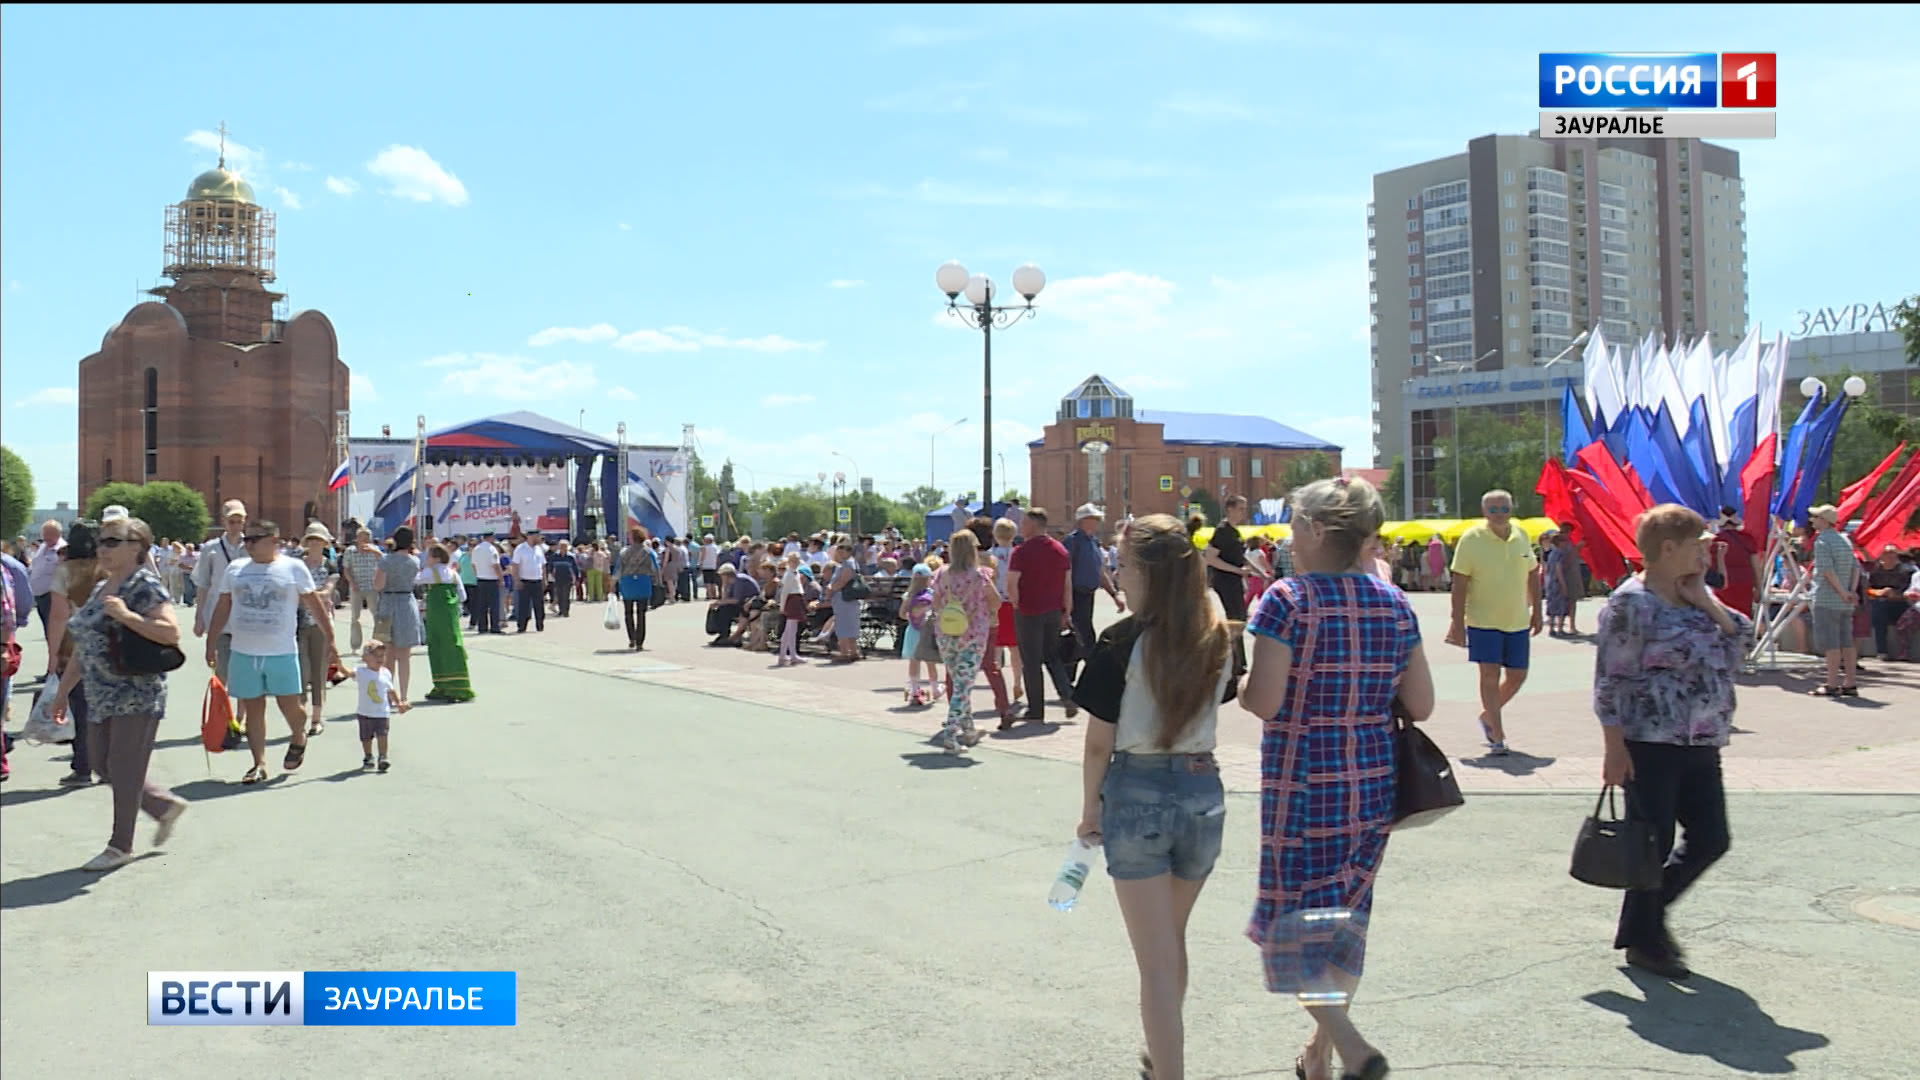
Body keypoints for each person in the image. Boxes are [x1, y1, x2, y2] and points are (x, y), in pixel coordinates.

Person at [1239, 477, 1433, 1080]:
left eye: (1296, 525)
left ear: (1319, 531)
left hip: (1303, 786)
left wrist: (1240, 678)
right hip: (1372, 782)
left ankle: (1350, 1046)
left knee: (1292, 927)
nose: (1289, 538)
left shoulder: (1286, 600)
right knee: (1347, 920)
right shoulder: (1394, 602)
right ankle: (1318, 1056)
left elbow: (1265, 701)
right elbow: (1421, 703)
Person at [1072, 513, 1240, 1080]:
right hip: (1202, 787)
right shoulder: (1216, 630)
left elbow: (1098, 743)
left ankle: (1168, 1068)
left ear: (1146, 572)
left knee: (1154, 962)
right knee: (1170, 940)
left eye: (1122, 563)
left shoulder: (1121, 640)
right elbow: (1229, 695)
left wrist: (1089, 810)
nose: (1117, 573)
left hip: (1137, 787)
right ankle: (1161, 1051)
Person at [1595, 504, 1749, 980]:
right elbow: (1611, 681)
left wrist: (1707, 602)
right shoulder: (1631, 603)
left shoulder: (1696, 597)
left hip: (1701, 739)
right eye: (1699, 544)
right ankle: (1647, 940)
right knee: (1653, 843)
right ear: (1668, 548)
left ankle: (1646, 922)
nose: (1708, 552)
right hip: (1650, 742)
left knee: (1711, 838)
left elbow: (1740, 647)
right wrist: (1614, 748)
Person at [45, 515, 191, 870]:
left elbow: (171, 633)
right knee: (101, 764)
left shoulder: (145, 586)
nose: (102, 548)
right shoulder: (102, 585)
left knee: (123, 767)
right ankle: (161, 805)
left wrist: (128, 616)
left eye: (112, 542)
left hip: (136, 692)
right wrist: (62, 692)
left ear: (137, 547)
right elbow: (85, 644)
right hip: (99, 693)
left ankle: (119, 845)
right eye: (101, 541)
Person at [206, 520, 329, 784]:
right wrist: (211, 641)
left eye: (253, 539)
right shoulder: (236, 569)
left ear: (274, 540)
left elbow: (314, 605)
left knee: (291, 707)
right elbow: (223, 606)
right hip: (244, 650)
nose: (247, 545)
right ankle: (258, 764)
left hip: (281, 651)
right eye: (245, 540)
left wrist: (330, 638)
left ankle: (298, 735)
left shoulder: (293, 568)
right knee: (253, 708)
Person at [1444, 489, 1541, 756]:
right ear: (1484, 512)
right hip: (1482, 621)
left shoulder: (1521, 535)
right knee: (1489, 675)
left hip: (1517, 620)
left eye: (1504, 509)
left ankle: (1488, 715)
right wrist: (1457, 622)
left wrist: (1538, 611)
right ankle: (1497, 735)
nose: (1499, 514)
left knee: (1518, 676)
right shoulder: (1471, 539)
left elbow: (1533, 573)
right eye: (1493, 509)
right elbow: (1459, 582)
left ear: (1511, 509)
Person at [929, 531, 1006, 753]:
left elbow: (935, 603)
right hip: (973, 636)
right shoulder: (980, 576)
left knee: (958, 679)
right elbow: (996, 603)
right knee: (964, 685)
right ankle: (951, 734)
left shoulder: (941, 574)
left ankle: (969, 728)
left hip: (946, 633)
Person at [45, 523, 107, 784]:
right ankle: (108, 765)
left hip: (74, 644)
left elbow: (59, 615)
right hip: (108, 642)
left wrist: (52, 653)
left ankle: (82, 766)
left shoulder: (64, 571)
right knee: (106, 706)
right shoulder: (107, 569)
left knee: (80, 707)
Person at [1007, 507, 1078, 726]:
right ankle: (1067, 695)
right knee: (1052, 656)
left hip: (1028, 611)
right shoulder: (1060, 550)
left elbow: (1012, 584)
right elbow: (1067, 585)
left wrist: (1016, 604)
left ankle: (1036, 710)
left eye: (1024, 522)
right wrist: (1067, 611)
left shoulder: (1021, 552)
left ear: (1034, 525)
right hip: (1053, 611)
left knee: (1031, 661)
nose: (1021, 526)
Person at [190, 501, 251, 686]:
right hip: (219, 618)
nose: (235, 526)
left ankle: (243, 713)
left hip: (246, 617)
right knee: (222, 671)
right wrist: (199, 616)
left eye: (239, 522)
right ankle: (225, 711)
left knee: (246, 672)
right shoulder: (211, 548)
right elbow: (203, 584)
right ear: (224, 522)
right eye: (231, 521)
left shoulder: (251, 546)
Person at [1806, 505, 1861, 697]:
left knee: (1831, 644)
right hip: (1845, 602)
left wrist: (1841, 592)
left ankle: (1831, 683)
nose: (1812, 521)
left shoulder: (1822, 541)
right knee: (1847, 642)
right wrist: (1850, 592)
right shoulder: (1844, 540)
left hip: (1827, 599)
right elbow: (1856, 568)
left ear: (1823, 520)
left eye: (1815, 518)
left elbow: (1826, 571)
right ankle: (1850, 682)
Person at [295, 523, 342, 735]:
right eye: (311, 540)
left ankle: (316, 717)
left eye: (318, 541)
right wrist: (312, 595)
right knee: (300, 672)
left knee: (319, 671)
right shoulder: (297, 565)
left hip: (320, 624)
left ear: (324, 544)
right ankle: (300, 716)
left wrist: (307, 595)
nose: (315, 544)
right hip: (297, 622)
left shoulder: (330, 566)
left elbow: (327, 592)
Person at [1066, 504, 1125, 672]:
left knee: (1082, 638)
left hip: (1088, 595)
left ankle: (1071, 679)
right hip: (1075, 595)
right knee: (1084, 638)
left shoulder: (1093, 542)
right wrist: (1066, 600)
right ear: (1083, 520)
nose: (1098, 522)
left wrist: (1114, 595)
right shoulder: (1073, 541)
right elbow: (1066, 572)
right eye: (1094, 519)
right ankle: (1086, 677)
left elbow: (1100, 571)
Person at [418, 543, 476, 702]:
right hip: (450, 616)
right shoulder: (452, 573)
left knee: (436, 646)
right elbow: (463, 596)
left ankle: (442, 685)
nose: (426, 558)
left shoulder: (430, 572)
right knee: (452, 646)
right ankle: (459, 686)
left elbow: (414, 580)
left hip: (435, 615)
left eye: (429, 556)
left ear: (436, 558)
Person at [372, 528, 425, 701]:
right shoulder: (414, 561)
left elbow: (378, 585)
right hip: (406, 604)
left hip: (388, 604)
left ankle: (389, 695)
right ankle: (403, 696)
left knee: (388, 655)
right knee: (405, 655)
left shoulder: (386, 561)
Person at [353, 640, 411, 772]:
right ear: (365, 659)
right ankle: (368, 757)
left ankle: (383, 757)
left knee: (382, 735)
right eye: (376, 655)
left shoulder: (386, 673)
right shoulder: (361, 672)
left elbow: (391, 691)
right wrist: (337, 665)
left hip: (382, 712)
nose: (380, 659)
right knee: (366, 737)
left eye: (382, 655)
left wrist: (399, 704)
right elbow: (348, 674)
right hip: (365, 712)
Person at [1202, 495, 1256, 620]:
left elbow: (1240, 556)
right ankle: (1232, 640)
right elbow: (1210, 558)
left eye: (1245, 509)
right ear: (1230, 509)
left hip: (1235, 579)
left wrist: (1261, 573)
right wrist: (1237, 570)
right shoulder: (1222, 530)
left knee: (1240, 617)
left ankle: (1235, 639)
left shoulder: (1235, 531)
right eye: (1240, 509)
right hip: (1225, 580)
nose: (1244, 512)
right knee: (1236, 617)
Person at [1709, 509, 1761, 623]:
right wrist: (1759, 587)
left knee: (1723, 618)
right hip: (1744, 583)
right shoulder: (1747, 539)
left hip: (1723, 583)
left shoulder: (1714, 540)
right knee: (1744, 618)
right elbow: (1756, 565)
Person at [1866, 544, 1914, 661]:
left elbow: (1910, 590)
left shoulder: (1906, 570)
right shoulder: (1875, 570)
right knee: (1879, 608)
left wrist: (1895, 594)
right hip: (1881, 602)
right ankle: (1882, 651)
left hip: (1901, 603)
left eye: (1892, 553)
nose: (1889, 556)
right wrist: (1879, 592)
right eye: (1886, 553)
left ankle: (1903, 653)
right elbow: (1867, 589)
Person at [615, 526, 657, 651]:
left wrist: (613, 584)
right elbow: (655, 569)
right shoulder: (648, 552)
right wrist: (657, 582)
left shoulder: (624, 552)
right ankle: (640, 642)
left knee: (628, 613)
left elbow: (618, 569)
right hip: (643, 583)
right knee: (641, 614)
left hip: (627, 584)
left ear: (633, 538)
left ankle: (631, 638)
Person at [27, 519, 66, 648]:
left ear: (59, 534)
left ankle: (57, 665)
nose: (46, 537)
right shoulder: (43, 547)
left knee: (55, 635)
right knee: (48, 634)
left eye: (50, 534)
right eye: (44, 534)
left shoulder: (62, 550)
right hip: (40, 596)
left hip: (52, 596)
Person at [823, 541, 863, 664]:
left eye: (842, 551)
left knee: (844, 625)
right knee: (849, 625)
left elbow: (843, 580)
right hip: (845, 599)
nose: (839, 554)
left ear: (849, 552)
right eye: (838, 551)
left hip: (845, 599)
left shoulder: (848, 564)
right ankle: (853, 651)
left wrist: (831, 589)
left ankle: (845, 653)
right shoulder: (847, 563)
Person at [510, 530, 549, 633]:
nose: (539, 538)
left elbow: (543, 565)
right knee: (524, 605)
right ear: (531, 537)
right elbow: (515, 566)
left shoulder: (539, 549)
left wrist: (544, 580)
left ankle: (540, 625)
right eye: (537, 536)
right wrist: (517, 580)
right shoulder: (520, 549)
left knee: (539, 605)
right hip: (525, 581)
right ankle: (522, 626)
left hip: (537, 580)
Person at [470, 533, 504, 634]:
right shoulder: (492, 549)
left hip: (480, 579)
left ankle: (482, 627)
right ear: (491, 538)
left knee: (482, 605)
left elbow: (473, 565)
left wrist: (477, 574)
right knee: (494, 605)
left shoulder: (476, 549)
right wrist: (500, 578)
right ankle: (495, 627)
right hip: (491, 580)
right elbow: (496, 565)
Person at [547, 540, 579, 618]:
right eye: (561, 546)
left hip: (568, 578)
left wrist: (576, 579)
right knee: (559, 595)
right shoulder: (555, 556)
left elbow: (575, 568)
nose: (563, 548)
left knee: (566, 596)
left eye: (565, 546)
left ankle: (566, 611)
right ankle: (561, 611)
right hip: (557, 578)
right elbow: (550, 567)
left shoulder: (571, 557)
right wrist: (552, 574)